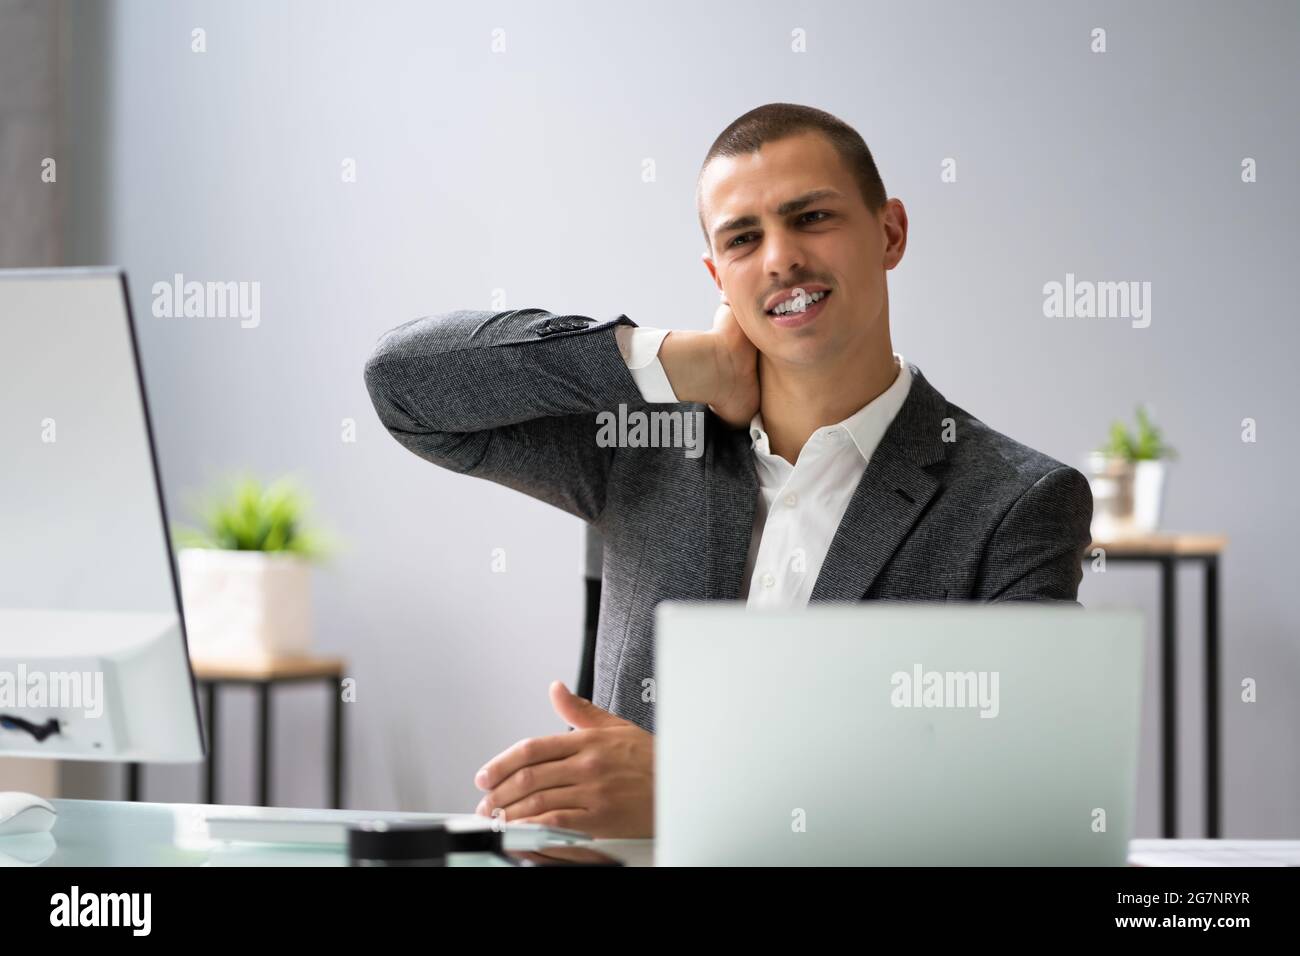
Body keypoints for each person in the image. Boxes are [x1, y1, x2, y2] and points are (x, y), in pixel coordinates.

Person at [363, 102, 1093, 839]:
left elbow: (1018, 796)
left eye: (811, 217)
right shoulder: (646, 440)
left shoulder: (1017, 501)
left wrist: (693, 789)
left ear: (890, 232)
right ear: (718, 273)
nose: (780, 258)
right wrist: (677, 361)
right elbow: (404, 386)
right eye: (744, 238)